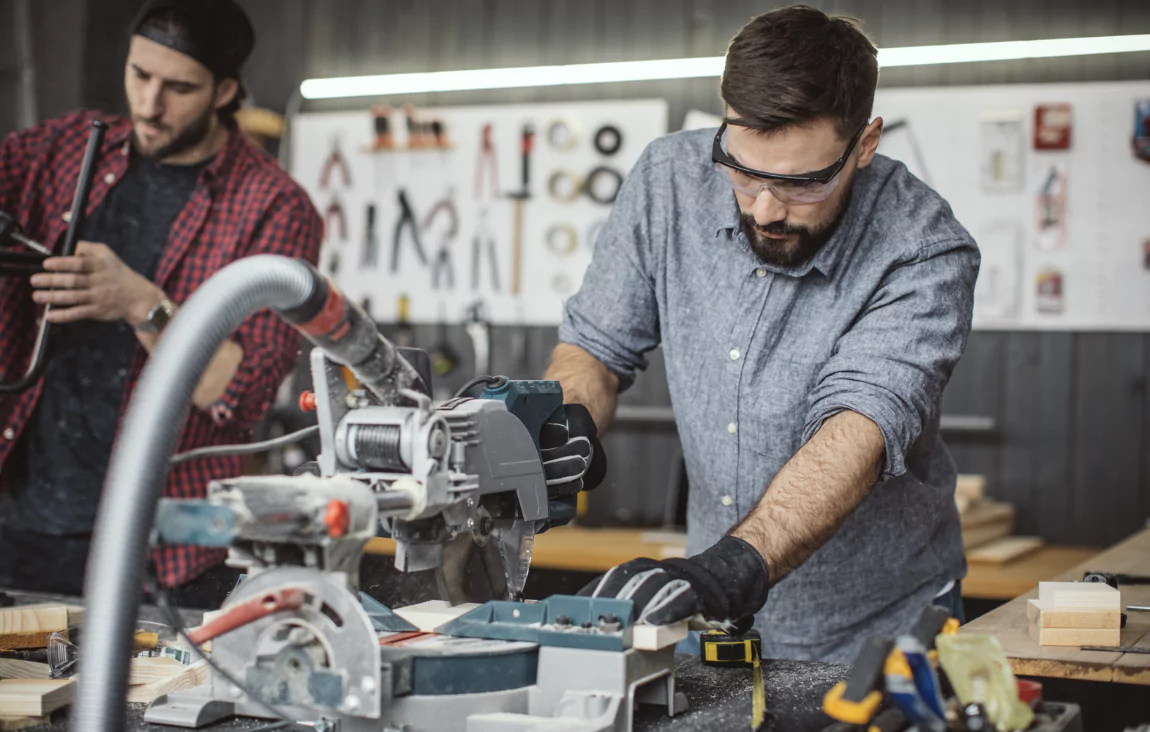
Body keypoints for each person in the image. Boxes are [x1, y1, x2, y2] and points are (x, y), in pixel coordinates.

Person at [547, 5, 979, 662]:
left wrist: (730, 569)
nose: (766, 209)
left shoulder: (923, 250)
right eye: (744, 171)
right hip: (715, 623)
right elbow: (596, 348)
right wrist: (566, 417)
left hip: (877, 632)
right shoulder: (668, 180)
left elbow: (856, 432)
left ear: (864, 144)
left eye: (802, 183)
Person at [0, 0, 322, 607]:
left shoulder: (274, 208)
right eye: (139, 75)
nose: (149, 104)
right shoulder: (62, 150)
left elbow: (238, 389)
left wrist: (140, 301)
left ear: (225, 90)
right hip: (23, 520)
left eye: (178, 87)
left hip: (162, 549)